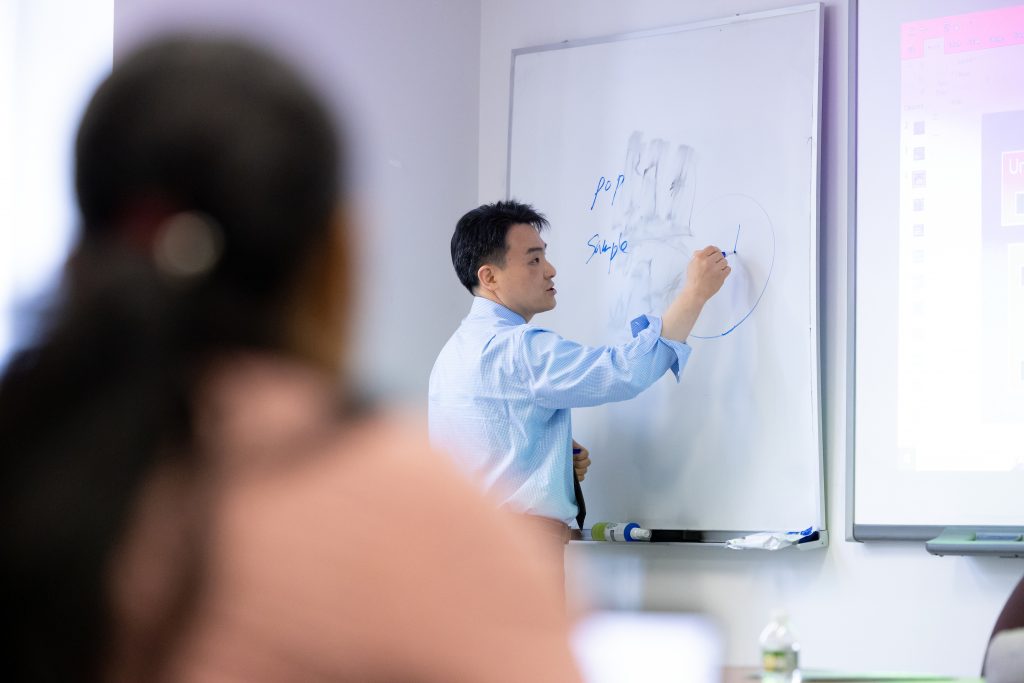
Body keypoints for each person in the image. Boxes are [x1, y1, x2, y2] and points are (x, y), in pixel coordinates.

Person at [0, 38, 582, 682]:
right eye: (536, 257)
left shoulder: (34, 464)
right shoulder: (412, 515)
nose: (549, 269)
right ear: (336, 254)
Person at [428, 200, 730, 580]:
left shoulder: (452, 354)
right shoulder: (520, 348)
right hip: (517, 551)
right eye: (533, 260)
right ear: (489, 277)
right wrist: (695, 293)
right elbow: (624, 371)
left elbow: (484, 442)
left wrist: (550, 456)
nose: (550, 270)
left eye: (544, 256)